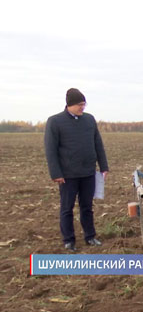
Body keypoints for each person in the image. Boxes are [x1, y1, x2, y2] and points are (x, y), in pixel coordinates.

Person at [44, 88, 109, 252]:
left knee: (87, 207)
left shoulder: (89, 120)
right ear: (70, 105)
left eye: (84, 104)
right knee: (67, 208)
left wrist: (104, 166)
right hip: (67, 175)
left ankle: (90, 236)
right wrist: (56, 173)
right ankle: (69, 240)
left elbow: (98, 144)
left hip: (88, 172)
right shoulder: (55, 122)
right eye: (80, 104)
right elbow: (50, 150)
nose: (83, 107)